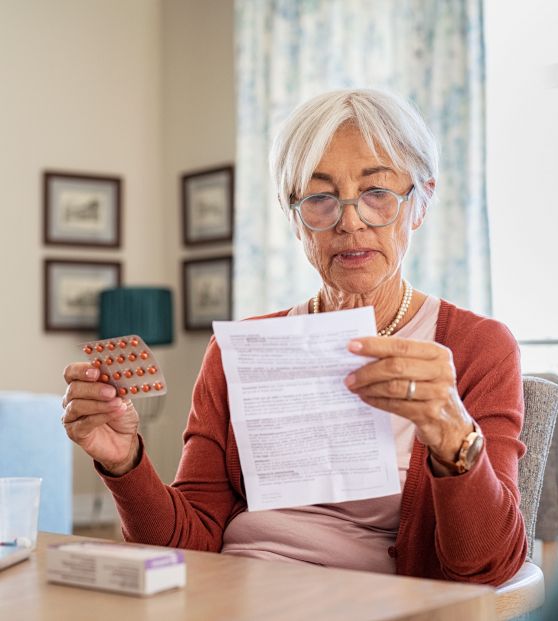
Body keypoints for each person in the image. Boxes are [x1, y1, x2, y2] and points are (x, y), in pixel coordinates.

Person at [61, 89, 526, 586]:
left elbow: (488, 567)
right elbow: (187, 546)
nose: (350, 221)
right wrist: (125, 462)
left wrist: (454, 436)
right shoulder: (237, 351)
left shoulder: (478, 348)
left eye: (377, 194)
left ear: (420, 203)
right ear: (293, 215)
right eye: (320, 198)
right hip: (230, 594)